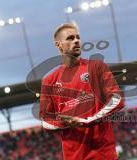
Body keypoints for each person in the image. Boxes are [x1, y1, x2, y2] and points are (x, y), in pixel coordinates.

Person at [39, 22, 124, 160]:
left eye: (78, 37)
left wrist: (88, 120)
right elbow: (45, 121)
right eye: (70, 38)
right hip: (74, 156)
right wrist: (64, 122)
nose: (77, 41)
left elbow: (117, 99)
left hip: (103, 154)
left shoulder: (97, 67)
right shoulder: (49, 81)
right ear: (58, 45)